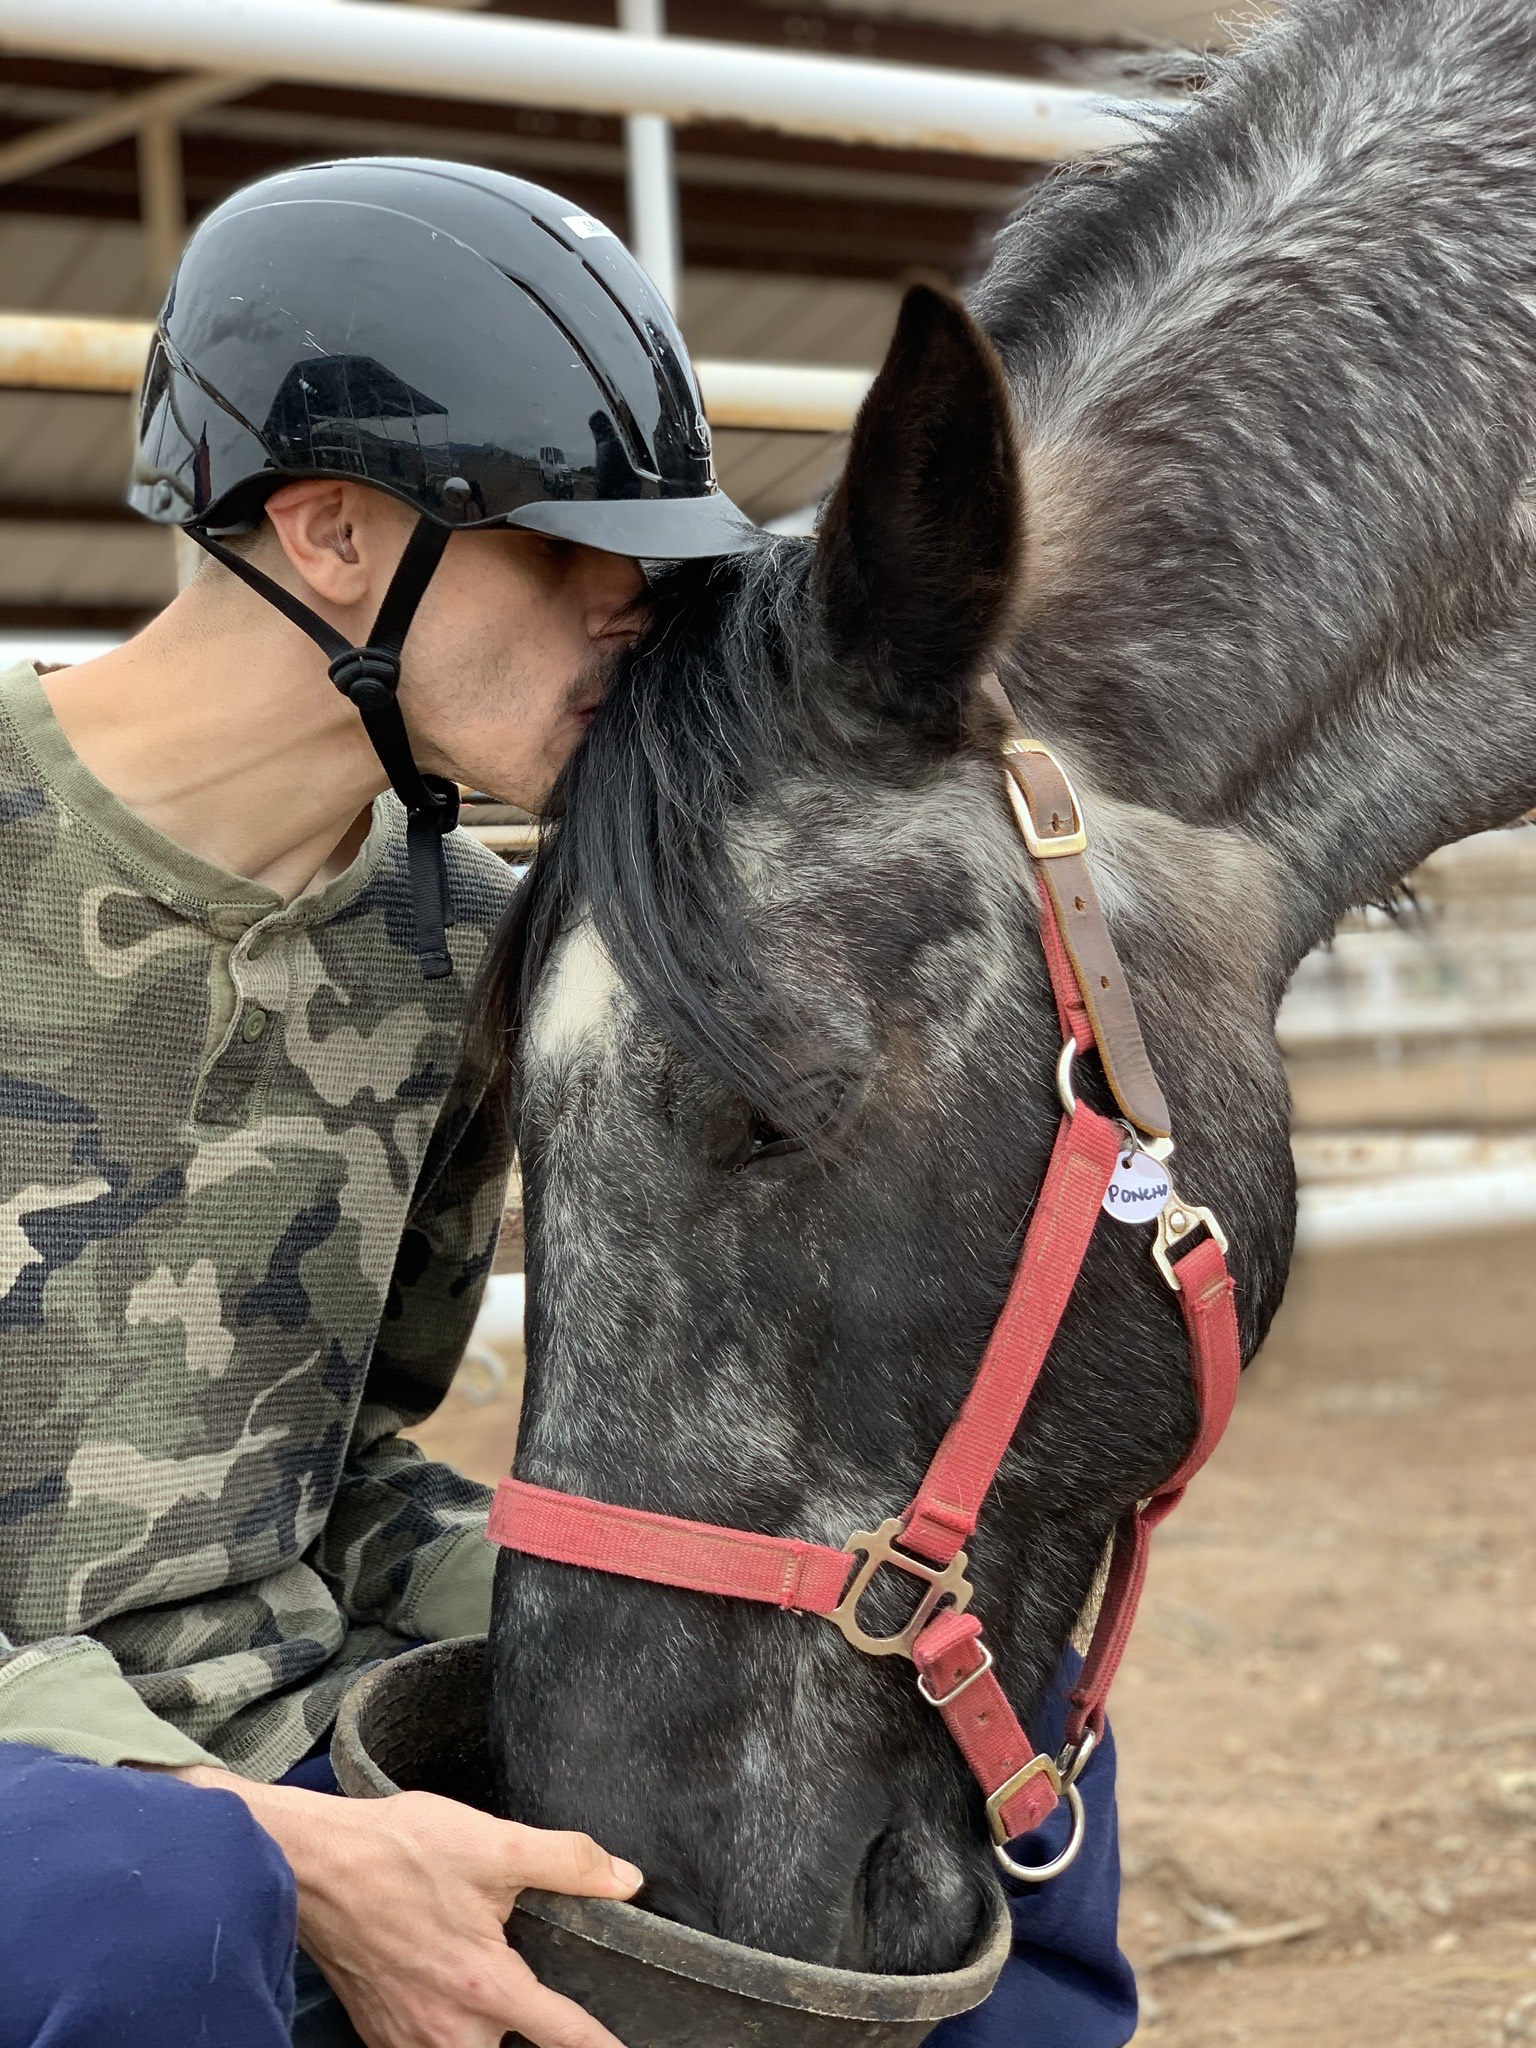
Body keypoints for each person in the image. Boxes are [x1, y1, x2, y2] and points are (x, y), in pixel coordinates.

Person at [0, 157, 1135, 2048]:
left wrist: (744, 1618)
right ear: (333, 532)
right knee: (146, 1910)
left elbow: (343, 1468)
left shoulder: (471, 944)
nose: (639, 606)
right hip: (84, 1821)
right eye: (564, 547)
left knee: (972, 1710)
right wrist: (250, 1840)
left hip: (285, 1732)